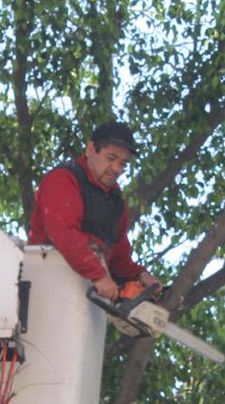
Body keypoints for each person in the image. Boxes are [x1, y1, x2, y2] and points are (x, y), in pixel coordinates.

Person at [28, 121, 159, 300]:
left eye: (123, 164)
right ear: (90, 149)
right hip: (46, 289)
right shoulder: (63, 179)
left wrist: (140, 276)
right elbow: (64, 233)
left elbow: (119, 259)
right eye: (111, 158)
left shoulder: (115, 201)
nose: (116, 169)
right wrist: (98, 275)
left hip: (86, 302)